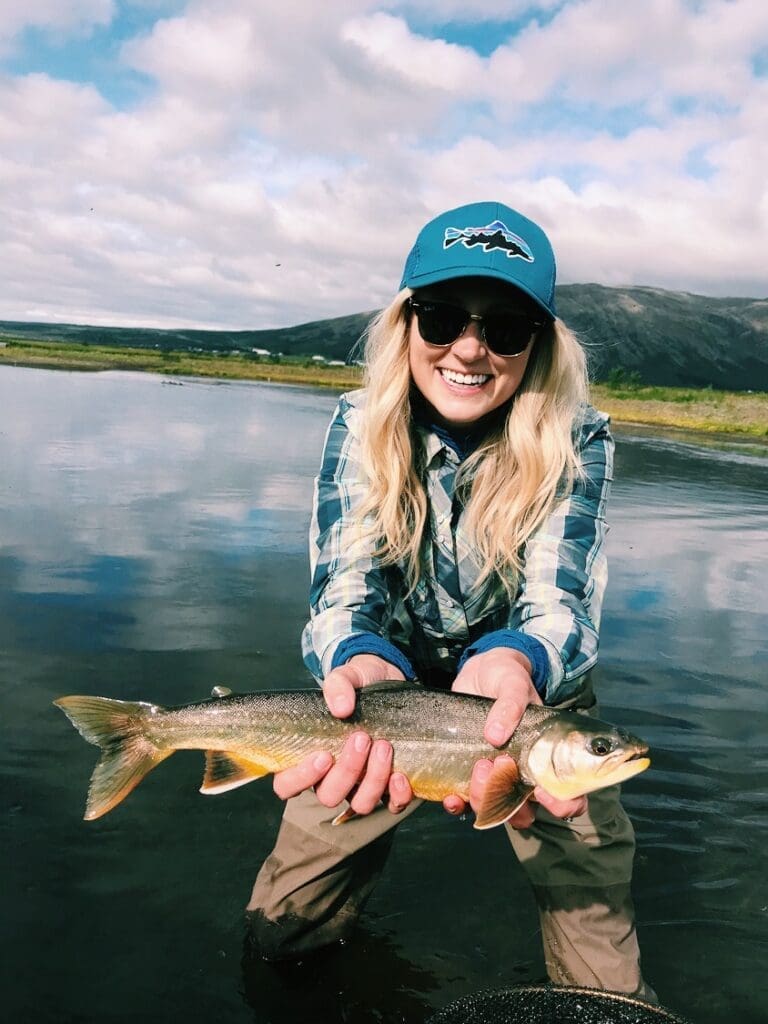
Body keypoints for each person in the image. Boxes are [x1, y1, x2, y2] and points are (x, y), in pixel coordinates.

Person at [246, 201, 655, 1001]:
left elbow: (560, 600)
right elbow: (344, 584)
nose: (470, 348)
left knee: (602, 970)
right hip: (381, 692)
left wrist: (516, 660)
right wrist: (357, 658)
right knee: (281, 929)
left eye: (505, 329)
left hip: (531, 697)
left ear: (538, 345)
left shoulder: (579, 436)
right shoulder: (360, 422)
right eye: (441, 319)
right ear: (405, 325)